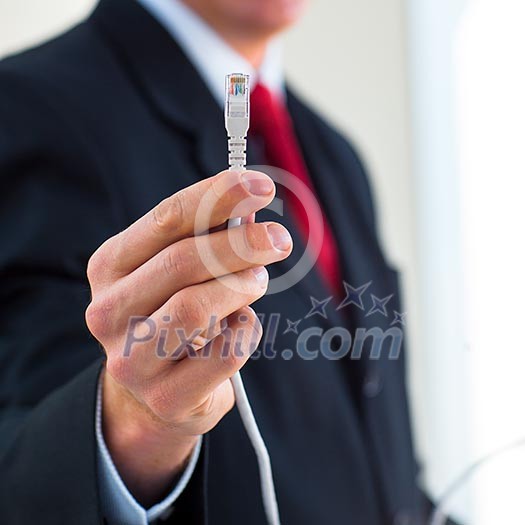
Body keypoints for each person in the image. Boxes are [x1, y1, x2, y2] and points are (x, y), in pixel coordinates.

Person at [0, 0, 446, 523]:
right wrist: (135, 427)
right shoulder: (28, 108)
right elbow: (25, 467)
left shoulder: (337, 155)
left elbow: (383, 474)